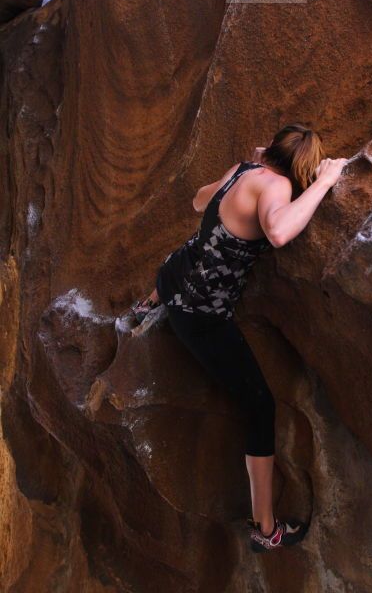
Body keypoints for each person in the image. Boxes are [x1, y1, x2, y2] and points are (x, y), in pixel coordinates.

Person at [131, 123, 348, 552]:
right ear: (300, 168)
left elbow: (199, 200)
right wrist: (323, 182)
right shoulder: (278, 188)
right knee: (259, 405)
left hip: (173, 276)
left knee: (194, 249)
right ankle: (265, 528)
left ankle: (147, 304)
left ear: (272, 149)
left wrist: (254, 165)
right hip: (200, 316)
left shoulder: (242, 170)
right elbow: (281, 232)